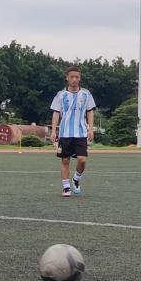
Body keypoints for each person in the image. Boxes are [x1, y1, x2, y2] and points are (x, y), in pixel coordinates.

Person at [50, 66, 96, 197]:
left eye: (77, 77)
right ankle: (66, 188)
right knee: (65, 160)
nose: (74, 79)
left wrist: (90, 129)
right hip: (65, 133)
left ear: (80, 78)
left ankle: (76, 179)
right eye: (72, 77)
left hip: (81, 133)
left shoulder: (86, 94)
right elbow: (56, 113)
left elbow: (90, 112)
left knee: (82, 160)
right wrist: (53, 131)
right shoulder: (61, 95)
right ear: (67, 78)